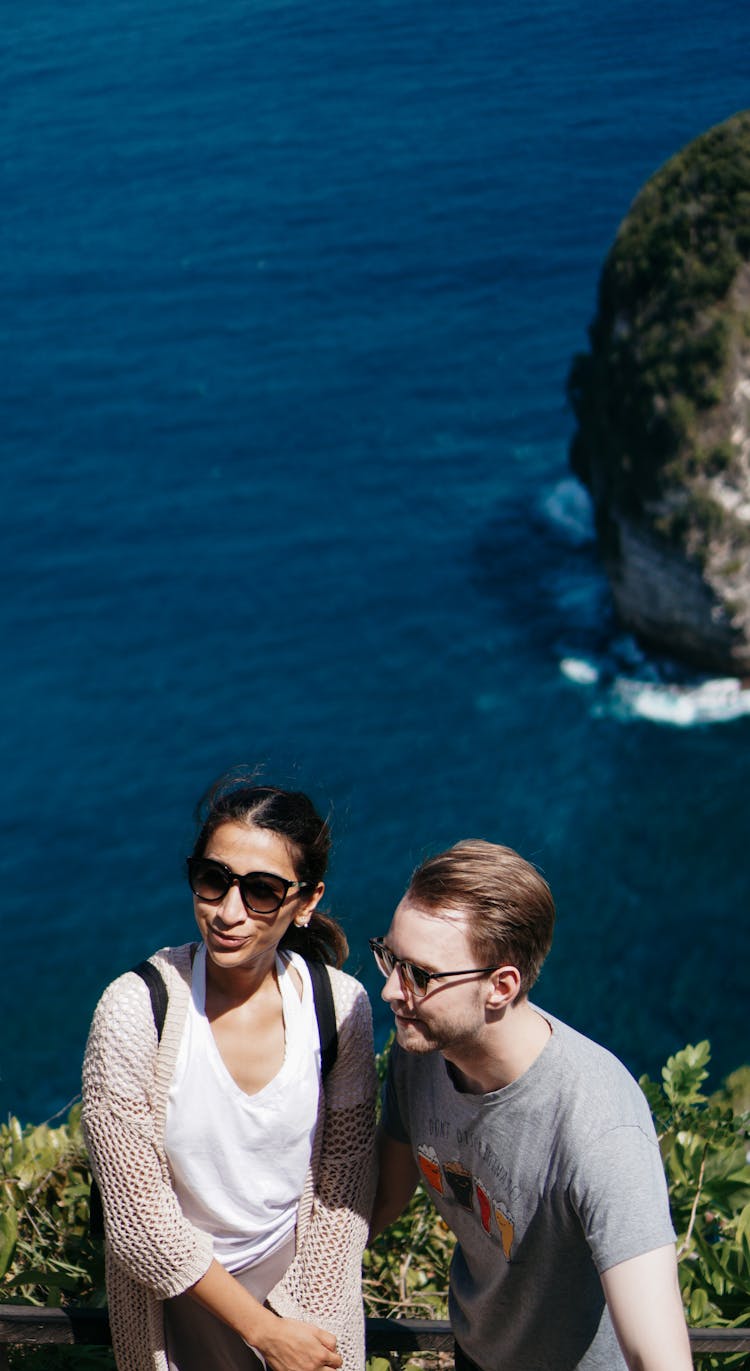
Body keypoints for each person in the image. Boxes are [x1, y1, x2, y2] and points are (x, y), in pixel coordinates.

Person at [82, 775, 376, 1371]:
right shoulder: (137, 1009)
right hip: (177, 1302)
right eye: (213, 880)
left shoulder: (340, 1007)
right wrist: (263, 1333)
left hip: (305, 1302)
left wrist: (306, 1323)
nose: (227, 912)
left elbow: (342, 1186)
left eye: (262, 891)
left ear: (307, 901)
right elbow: (139, 1218)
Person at [369, 840, 693, 1371]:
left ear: (501, 986)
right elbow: (383, 1199)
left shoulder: (599, 1125)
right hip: (477, 1352)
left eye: (419, 975)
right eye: (390, 958)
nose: (390, 991)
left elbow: (658, 1352)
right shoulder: (422, 1051)